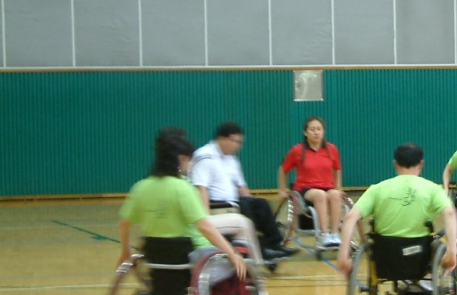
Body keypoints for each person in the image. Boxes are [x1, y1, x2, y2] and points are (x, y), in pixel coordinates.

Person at [117, 130, 247, 281]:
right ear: (181, 159)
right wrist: (232, 253)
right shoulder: (184, 188)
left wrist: (125, 252)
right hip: (192, 256)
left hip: (156, 258)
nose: (190, 165)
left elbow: (124, 224)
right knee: (237, 258)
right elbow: (204, 226)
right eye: (189, 160)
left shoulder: (140, 187)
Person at [336, 143, 457, 278]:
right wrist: (452, 253)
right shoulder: (433, 189)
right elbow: (450, 213)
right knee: (436, 243)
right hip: (419, 254)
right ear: (421, 164)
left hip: (385, 256)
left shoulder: (377, 189)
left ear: (395, 164)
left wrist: (343, 256)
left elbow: (350, 217)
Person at [189, 122, 297, 261]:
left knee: (261, 204)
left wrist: (253, 202)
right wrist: (206, 218)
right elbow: (201, 188)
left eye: (239, 142)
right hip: (216, 205)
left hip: (233, 202)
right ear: (221, 139)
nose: (237, 146)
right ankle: (261, 252)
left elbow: (242, 187)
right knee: (245, 206)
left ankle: (274, 245)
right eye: (234, 141)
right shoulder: (205, 156)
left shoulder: (232, 159)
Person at [278, 116, 345, 248]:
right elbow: (283, 169)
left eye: (319, 129)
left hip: (327, 186)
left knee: (335, 195)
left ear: (323, 131)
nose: (316, 132)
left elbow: (337, 169)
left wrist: (338, 187)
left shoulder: (331, 149)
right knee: (320, 195)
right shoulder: (297, 150)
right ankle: (324, 235)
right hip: (305, 189)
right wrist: (282, 190)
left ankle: (334, 233)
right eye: (312, 129)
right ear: (305, 132)